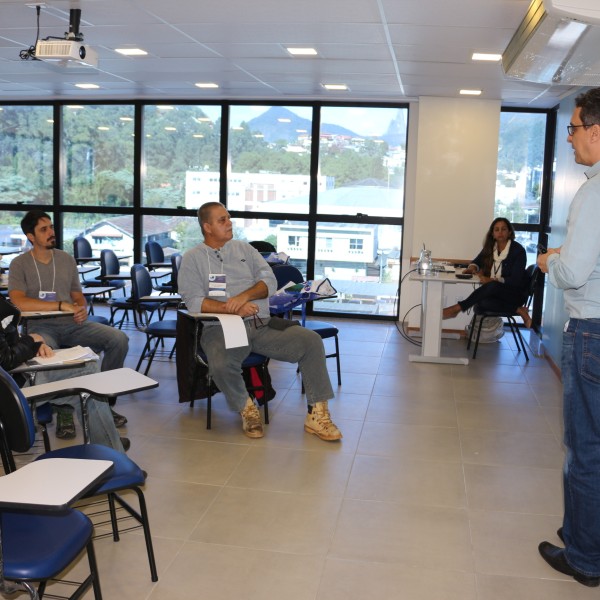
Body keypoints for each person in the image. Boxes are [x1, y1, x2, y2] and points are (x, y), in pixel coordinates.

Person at [178, 201, 342, 441]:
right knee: (221, 363)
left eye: (229, 218)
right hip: (220, 328)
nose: (229, 223)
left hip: (260, 324)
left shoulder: (245, 249)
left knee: (311, 342)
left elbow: (269, 280)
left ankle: (317, 414)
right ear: (207, 227)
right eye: (222, 220)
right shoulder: (192, 259)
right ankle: (247, 409)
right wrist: (231, 308)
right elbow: (193, 300)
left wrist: (244, 296)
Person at [536, 88, 600, 587]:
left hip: (592, 334)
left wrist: (549, 262)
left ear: (596, 131)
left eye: (574, 129)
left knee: (584, 450)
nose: (571, 139)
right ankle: (586, 530)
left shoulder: (594, 191)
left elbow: (575, 273)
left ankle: (583, 556)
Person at [8, 210, 130, 439]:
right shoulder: (20, 263)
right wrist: (61, 305)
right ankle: (63, 410)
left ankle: (103, 400)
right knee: (50, 355)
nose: (51, 233)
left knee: (118, 339)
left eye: (51, 227)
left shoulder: (65, 259)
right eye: (44, 229)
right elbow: (18, 301)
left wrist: (81, 308)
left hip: (73, 325)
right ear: (30, 236)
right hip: (41, 328)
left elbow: (77, 294)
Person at [0, 295, 128, 452]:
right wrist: (29, 341)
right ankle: (112, 451)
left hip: (12, 381)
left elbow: (6, 343)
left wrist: (32, 345)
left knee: (86, 381)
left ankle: (110, 447)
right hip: (8, 393)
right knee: (87, 373)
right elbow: (5, 359)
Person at [442, 217, 530, 325]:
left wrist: (492, 280)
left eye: (503, 229)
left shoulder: (518, 251)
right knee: (482, 302)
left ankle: (457, 308)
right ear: (492, 234)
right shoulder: (491, 248)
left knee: (492, 285)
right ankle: (519, 310)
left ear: (509, 232)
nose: (500, 232)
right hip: (495, 296)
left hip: (514, 294)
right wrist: (472, 268)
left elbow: (515, 280)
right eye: (496, 230)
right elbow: (477, 261)